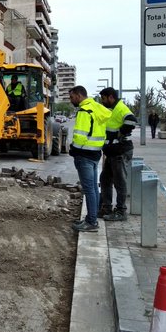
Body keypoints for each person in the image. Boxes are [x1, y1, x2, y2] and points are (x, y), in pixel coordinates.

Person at [68, 85, 111, 232]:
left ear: (79, 96)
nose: (71, 100)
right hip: (95, 153)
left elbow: (80, 135)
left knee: (89, 189)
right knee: (92, 187)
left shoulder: (85, 110)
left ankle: (92, 222)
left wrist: (73, 149)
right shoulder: (97, 108)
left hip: (84, 155)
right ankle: (91, 218)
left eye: (72, 97)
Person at [98, 87, 138, 221]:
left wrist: (120, 133)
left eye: (103, 99)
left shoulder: (120, 108)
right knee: (105, 179)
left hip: (120, 150)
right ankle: (106, 207)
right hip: (113, 151)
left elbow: (132, 120)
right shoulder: (112, 109)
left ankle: (121, 211)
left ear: (110, 97)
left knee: (119, 182)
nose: (102, 102)